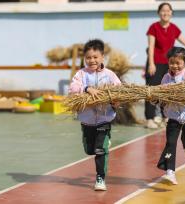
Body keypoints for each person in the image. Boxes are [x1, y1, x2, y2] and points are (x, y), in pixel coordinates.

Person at [68, 39, 121, 191]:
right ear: (84, 58)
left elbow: (119, 89)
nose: (92, 60)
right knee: (89, 150)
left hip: (105, 118)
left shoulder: (109, 75)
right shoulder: (81, 74)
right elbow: (73, 88)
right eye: (88, 57)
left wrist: (115, 101)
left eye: (95, 57)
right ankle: (102, 144)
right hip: (87, 120)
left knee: (100, 150)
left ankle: (100, 178)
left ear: (102, 57)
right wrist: (86, 88)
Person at [145, 2, 185, 129]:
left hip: (170, 64)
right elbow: (150, 46)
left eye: (168, 10)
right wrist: (151, 63)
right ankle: (149, 118)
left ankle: (165, 116)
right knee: (153, 89)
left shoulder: (174, 28)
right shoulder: (153, 27)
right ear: (158, 12)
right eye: (163, 10)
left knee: (168, 90)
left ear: (171, 13)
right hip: (155, 63)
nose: (165, 13)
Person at [157, 47, 185, 185]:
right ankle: (170, 172)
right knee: (170, 143)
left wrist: (175, 92)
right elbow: (161, 92)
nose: (174, 66)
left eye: (178, 63)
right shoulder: (166, 77)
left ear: (184, 62)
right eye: (171, 62)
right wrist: (157, 97)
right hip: (173, 117)